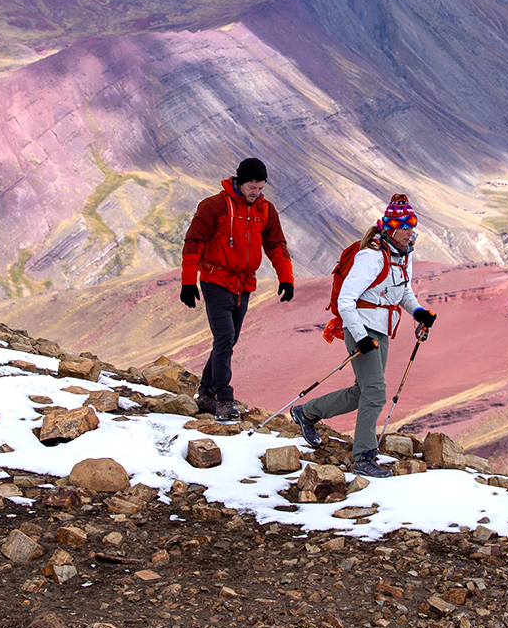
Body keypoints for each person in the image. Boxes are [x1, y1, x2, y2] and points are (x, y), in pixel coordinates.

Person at [293, 194, 438, 477]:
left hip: (381, 330)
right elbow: (347, 300)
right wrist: (360, 337)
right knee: (374, 392)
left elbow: (403, 291)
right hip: (361, 328)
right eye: (406, 227)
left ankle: (306, 413)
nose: (412, 233)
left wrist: (418, 312)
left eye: (412, 227)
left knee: (363, 391)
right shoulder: (370, 257)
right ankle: (363, 457)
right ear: (392, 229)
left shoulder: (403, 255)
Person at [179, 157, 294, 419]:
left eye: (260, 187)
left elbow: (276, 245)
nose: (256, 192)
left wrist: (286, 278)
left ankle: (206, 393)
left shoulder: (265, 209)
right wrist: (188, 281)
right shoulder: (214, 206)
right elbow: (194, 242)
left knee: (229, 340)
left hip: (244, 284)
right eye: (252, 187)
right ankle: (224, 399)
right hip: (215, 280)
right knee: (224, 338)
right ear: (239, 182)